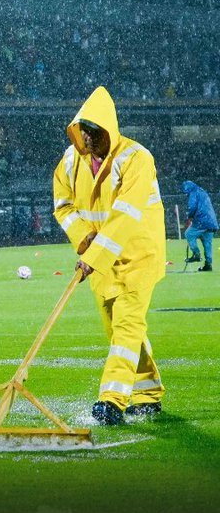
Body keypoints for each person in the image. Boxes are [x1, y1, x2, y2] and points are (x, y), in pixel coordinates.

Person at [53, 86, 166, 425]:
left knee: (128, 325)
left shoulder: (136, 158)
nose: (88, 141)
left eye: (94, 133)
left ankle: (112, 401)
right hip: (101, 262)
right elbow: (63, 205)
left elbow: (126, 216)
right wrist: (83, 238)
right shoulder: (71, 161)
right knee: (117, 332)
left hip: (137, 257)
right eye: (83, 133)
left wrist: (95, 255)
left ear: (108, 130)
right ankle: (148, 393)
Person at [182, 180, 217, 272]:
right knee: (207, 243)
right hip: (211, 222)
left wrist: (189, 217)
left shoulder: (193, 192)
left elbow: (192, 206)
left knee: (189, 234)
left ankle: (196, 254)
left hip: (202, 220)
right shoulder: (202, 191)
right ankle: (208, 265)